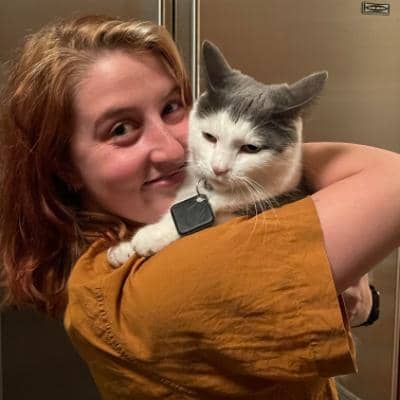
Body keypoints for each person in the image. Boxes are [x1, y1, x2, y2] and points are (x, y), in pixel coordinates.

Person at [0, 15, 399, 399]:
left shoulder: (173, 213)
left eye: (172, 107)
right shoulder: (146, 294)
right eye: (121, 129)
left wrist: (362, 303)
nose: (174, 149)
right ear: (66, 166)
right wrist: (256, 149)